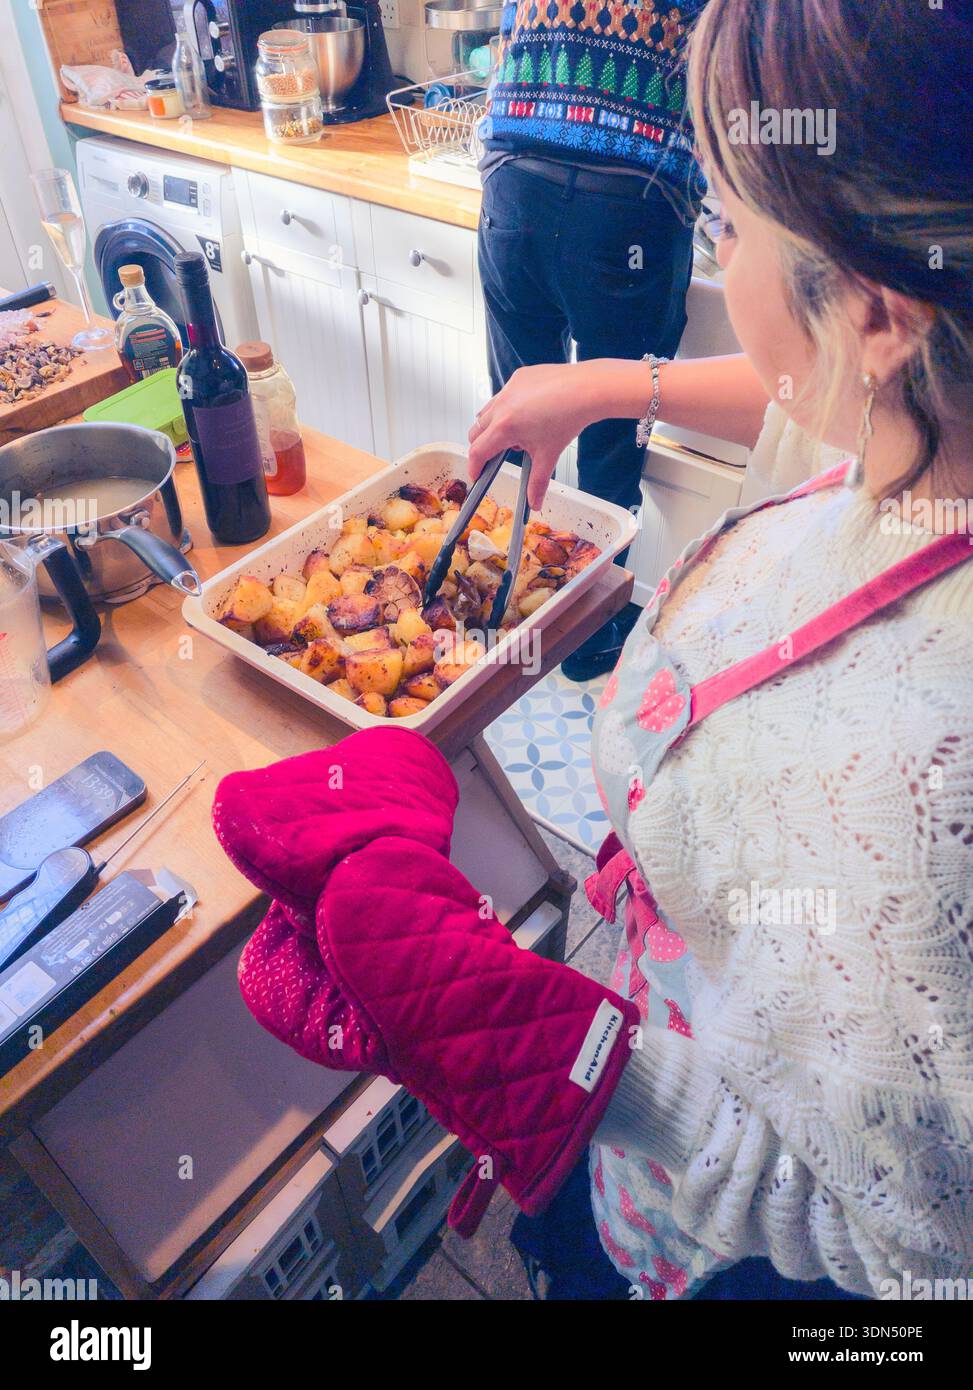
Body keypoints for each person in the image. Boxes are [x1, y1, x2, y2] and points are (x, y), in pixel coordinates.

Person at [216, 0, 973, 1301]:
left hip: (727, 1252)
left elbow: (905, 1248)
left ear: (876, 308)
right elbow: (811, 374)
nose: (713, 258)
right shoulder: (902, 430)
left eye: (723, 225)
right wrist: (616, 380)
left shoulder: (908, 791)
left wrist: (545, 1047)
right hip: (662, 1024)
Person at [476, 1, 709, 680]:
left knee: (517, 412)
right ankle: (588, 637)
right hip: (629, 197)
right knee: (611, 428)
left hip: (513, 180)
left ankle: (501, 610)